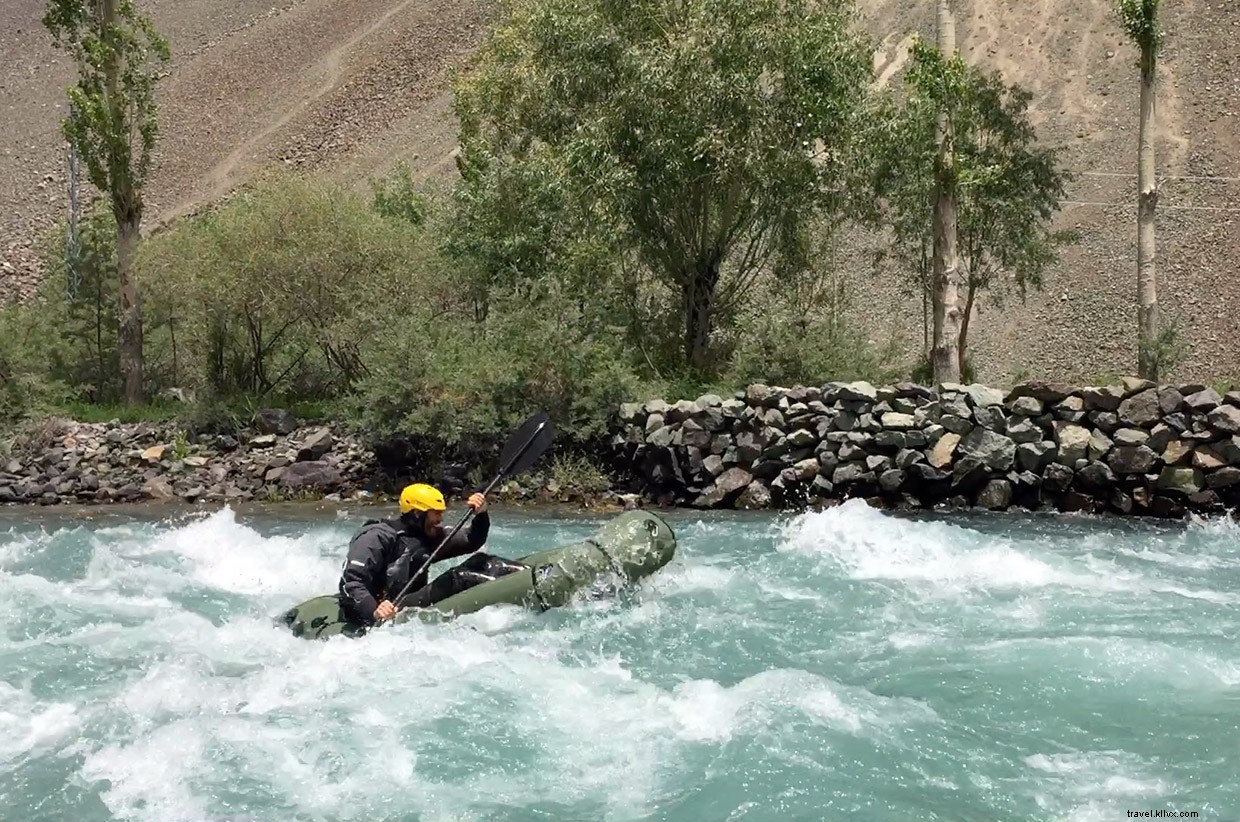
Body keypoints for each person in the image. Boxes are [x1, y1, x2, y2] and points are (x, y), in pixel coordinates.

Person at [336, 482, 523, 627]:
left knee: (480, 560)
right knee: (459, 577)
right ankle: (518, 592)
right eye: (436, 513)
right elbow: (352, 583)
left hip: (408, 602)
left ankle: (527, 574)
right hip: (383, 610)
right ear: (417, 513)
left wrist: (481, 514)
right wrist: (375, 612)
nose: (440, 519)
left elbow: (471, 539)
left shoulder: (428, 534)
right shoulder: (375, 538)